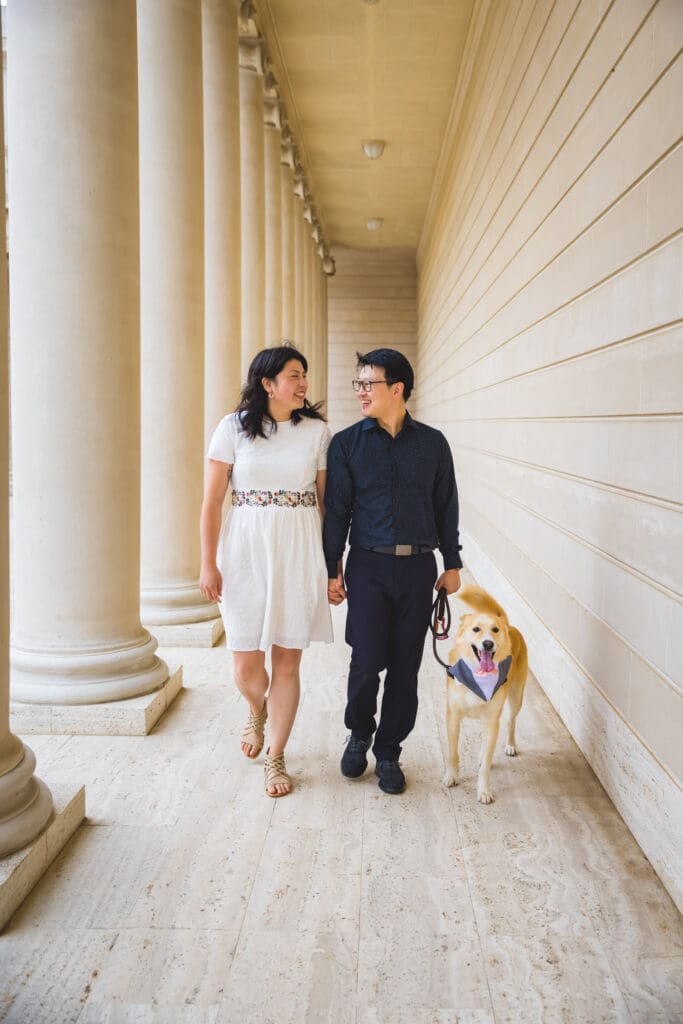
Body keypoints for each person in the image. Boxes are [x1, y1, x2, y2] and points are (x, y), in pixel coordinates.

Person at [323, 348, 462, 794]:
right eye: (358, 384)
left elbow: (447, 507)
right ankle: (359, 732)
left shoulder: (433, 444)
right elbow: (337, 513)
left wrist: (452, 563)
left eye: (369, 384)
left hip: (419, 569)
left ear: (397, 389)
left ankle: (388, 752)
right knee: (365, 663)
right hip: (367, 566)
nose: (361, 392)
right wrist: (333, 569)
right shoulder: (346, 444)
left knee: (406, 668)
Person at [200, 344, 333, 797]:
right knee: (245, 665)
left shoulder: (316, 431)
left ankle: (276, 756)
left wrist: (334, 567)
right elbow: (212, 501)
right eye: (294, 375)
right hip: (243, 552)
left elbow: (325, 504)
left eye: (304, 375)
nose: (303, 383)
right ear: (267, 383)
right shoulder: (233, 428)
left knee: (288, 660)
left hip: (297, 549)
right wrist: (206, 563)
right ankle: (256, 709)